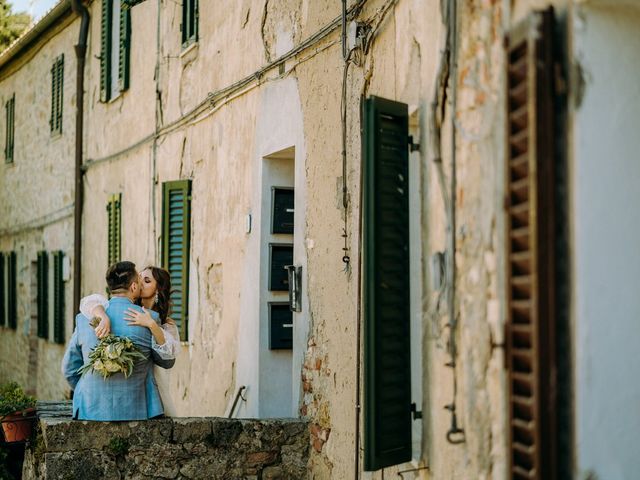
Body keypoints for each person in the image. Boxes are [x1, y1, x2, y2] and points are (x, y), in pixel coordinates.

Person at [62, 261, 175, 421]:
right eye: (140, 279)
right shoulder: (151, 319)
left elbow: (69, 369)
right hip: (137, 410)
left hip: (90, 409)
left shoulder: (85, 318)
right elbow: (167, 362)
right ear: (134, 287)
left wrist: (89, 390)